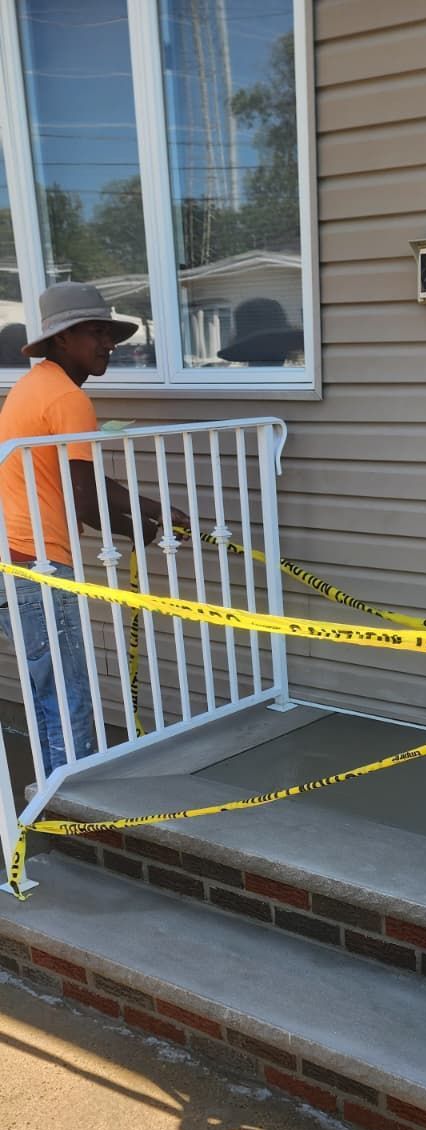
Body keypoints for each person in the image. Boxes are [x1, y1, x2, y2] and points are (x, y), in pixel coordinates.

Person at [0, 282, 186, 776]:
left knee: (48, 688)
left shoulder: (35, 385)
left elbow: (83, 477)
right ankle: (73, 803)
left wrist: (152, 510)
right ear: (62, 340)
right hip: (34, 563)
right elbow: (86, 501)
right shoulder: (66, 397)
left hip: (11, 556)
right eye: (95, 334)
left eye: (109, 334)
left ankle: (51, 784)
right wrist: (139, 531)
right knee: (68, 690)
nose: (108, 345)